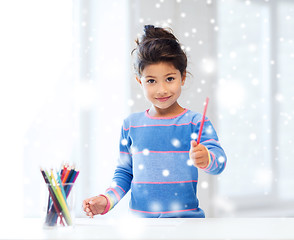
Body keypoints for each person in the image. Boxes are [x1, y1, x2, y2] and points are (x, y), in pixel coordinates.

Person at [83, 25, 227, 218]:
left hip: (186, 226)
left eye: (169, 78)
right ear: (139, 81)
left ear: (182, 77)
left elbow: (220, 162)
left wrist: (207, 158)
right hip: (142, 228)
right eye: (151, 81)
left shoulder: (196, 122)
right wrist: (108, 200)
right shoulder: (131, 125)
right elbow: (125, 172)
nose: (161, 90)